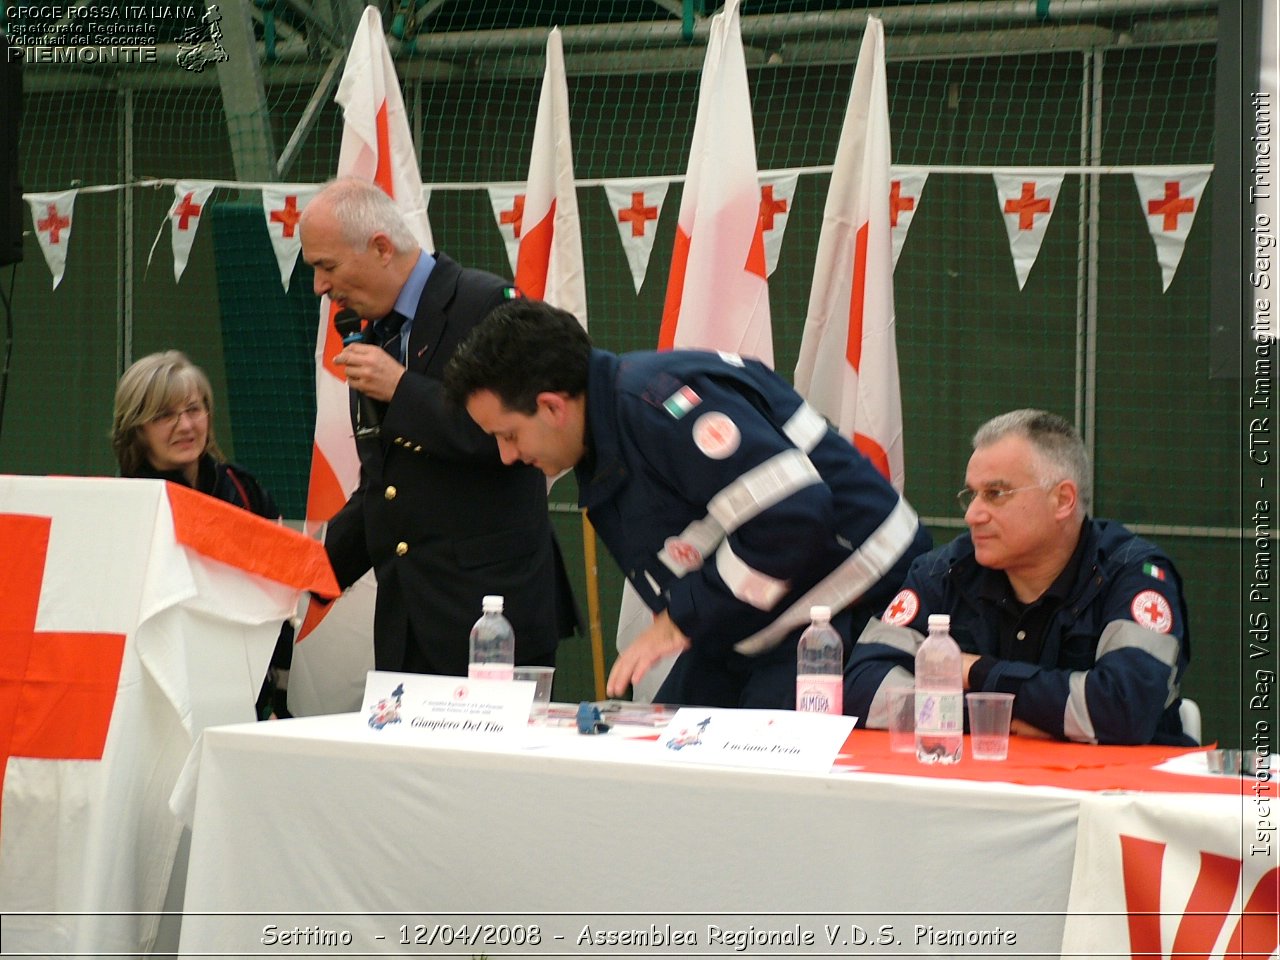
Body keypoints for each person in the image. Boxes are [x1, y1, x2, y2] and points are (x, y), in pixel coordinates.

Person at [443, 298, 932, 710]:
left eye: (508, 435)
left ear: (552, 406)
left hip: (854, 607)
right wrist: (685, 616)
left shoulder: (661, 408)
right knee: (668, 751)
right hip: (762, 621)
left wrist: (681, 618)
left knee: (740, 778)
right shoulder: (614, 418)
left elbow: (792, 517)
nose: (507, 456)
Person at [298, 177, 579, 676]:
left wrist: (404, 390)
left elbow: (520, 439)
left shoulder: (490, 306)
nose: (321, 286)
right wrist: (306, 570)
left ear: (381, 248)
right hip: (407, 622)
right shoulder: (371, 334)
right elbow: (385, 483)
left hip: (491, 621)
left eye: (328, 266)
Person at [845, 409, 1194, 746]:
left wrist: (976, 672)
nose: (973, 515)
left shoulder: (1135, 575)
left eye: (995, 494)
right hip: (976, 791)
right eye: (971, 495)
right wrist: (992, 716)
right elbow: (861, 690)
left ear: (1062, 500)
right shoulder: (943, 572)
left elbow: (1123, 709)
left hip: (1112, 798)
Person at [111, 349, 292, 718]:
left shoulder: (243, 488)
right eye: (164, 416)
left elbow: (280, 585)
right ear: (137, 428)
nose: (185, 426)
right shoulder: (127, 507)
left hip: (248, 689)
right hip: (163, 702)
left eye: (194, 409)